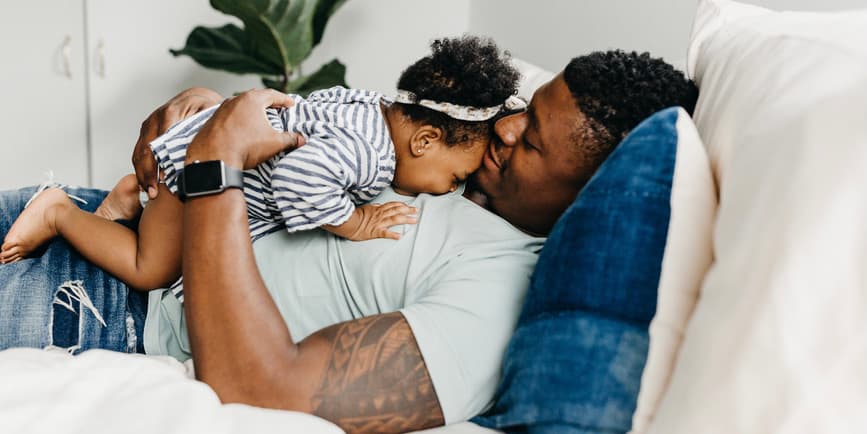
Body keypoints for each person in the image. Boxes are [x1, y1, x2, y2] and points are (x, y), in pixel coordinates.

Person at [0, 50, 697, 433]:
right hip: (88, 215)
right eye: (524, 111)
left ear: (588, 189)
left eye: (534, 140)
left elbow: (262, 390)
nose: (506, 130)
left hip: (89, 305)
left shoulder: (494, 289)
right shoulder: (459, 162)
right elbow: (307, 137)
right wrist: (200, 112)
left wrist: (213, 164)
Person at [0, 36, 523, 295]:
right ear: (425, 138)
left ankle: (127, 196)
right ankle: (59, 213)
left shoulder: (372, 106)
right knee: (151, 268)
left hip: (193, 150)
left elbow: (308, 108)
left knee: (154, 232)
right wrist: (354, 221)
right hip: (192, 177)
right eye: (454, 177)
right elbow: (301, 178)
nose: (446, 190)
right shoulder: (371, 152)